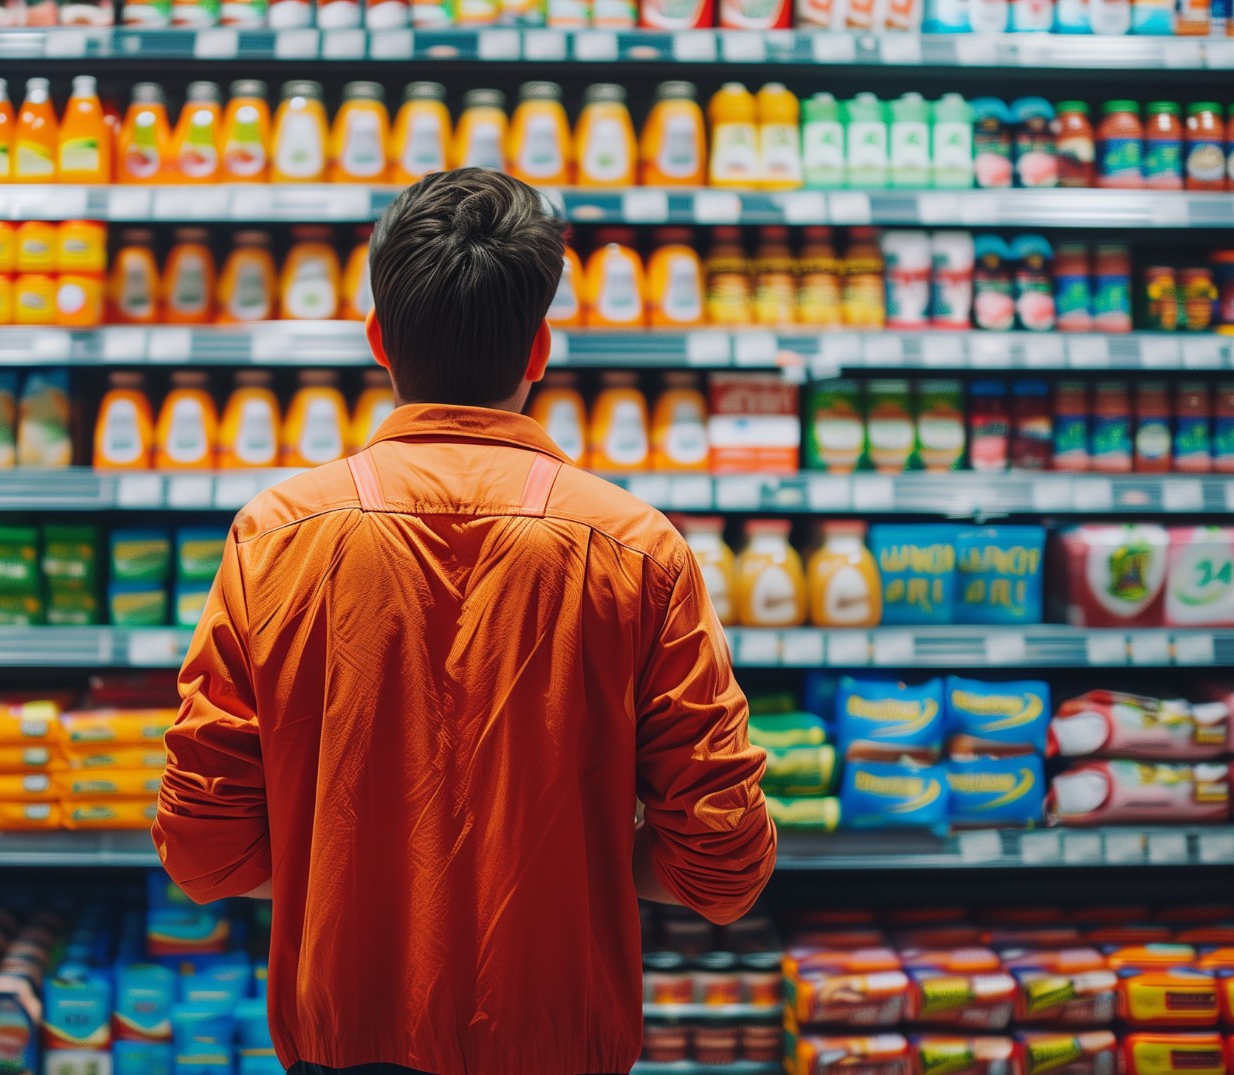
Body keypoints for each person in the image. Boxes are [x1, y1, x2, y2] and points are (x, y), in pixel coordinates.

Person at [152, 167, 777, 1075]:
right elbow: (727, 867)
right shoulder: (638, 549)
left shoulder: (276, 536)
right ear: (539, 351)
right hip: (558, 1046)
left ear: (377, 338)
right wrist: (586, 863)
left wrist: (353, 869)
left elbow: (203, 851)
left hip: (341, 1044)